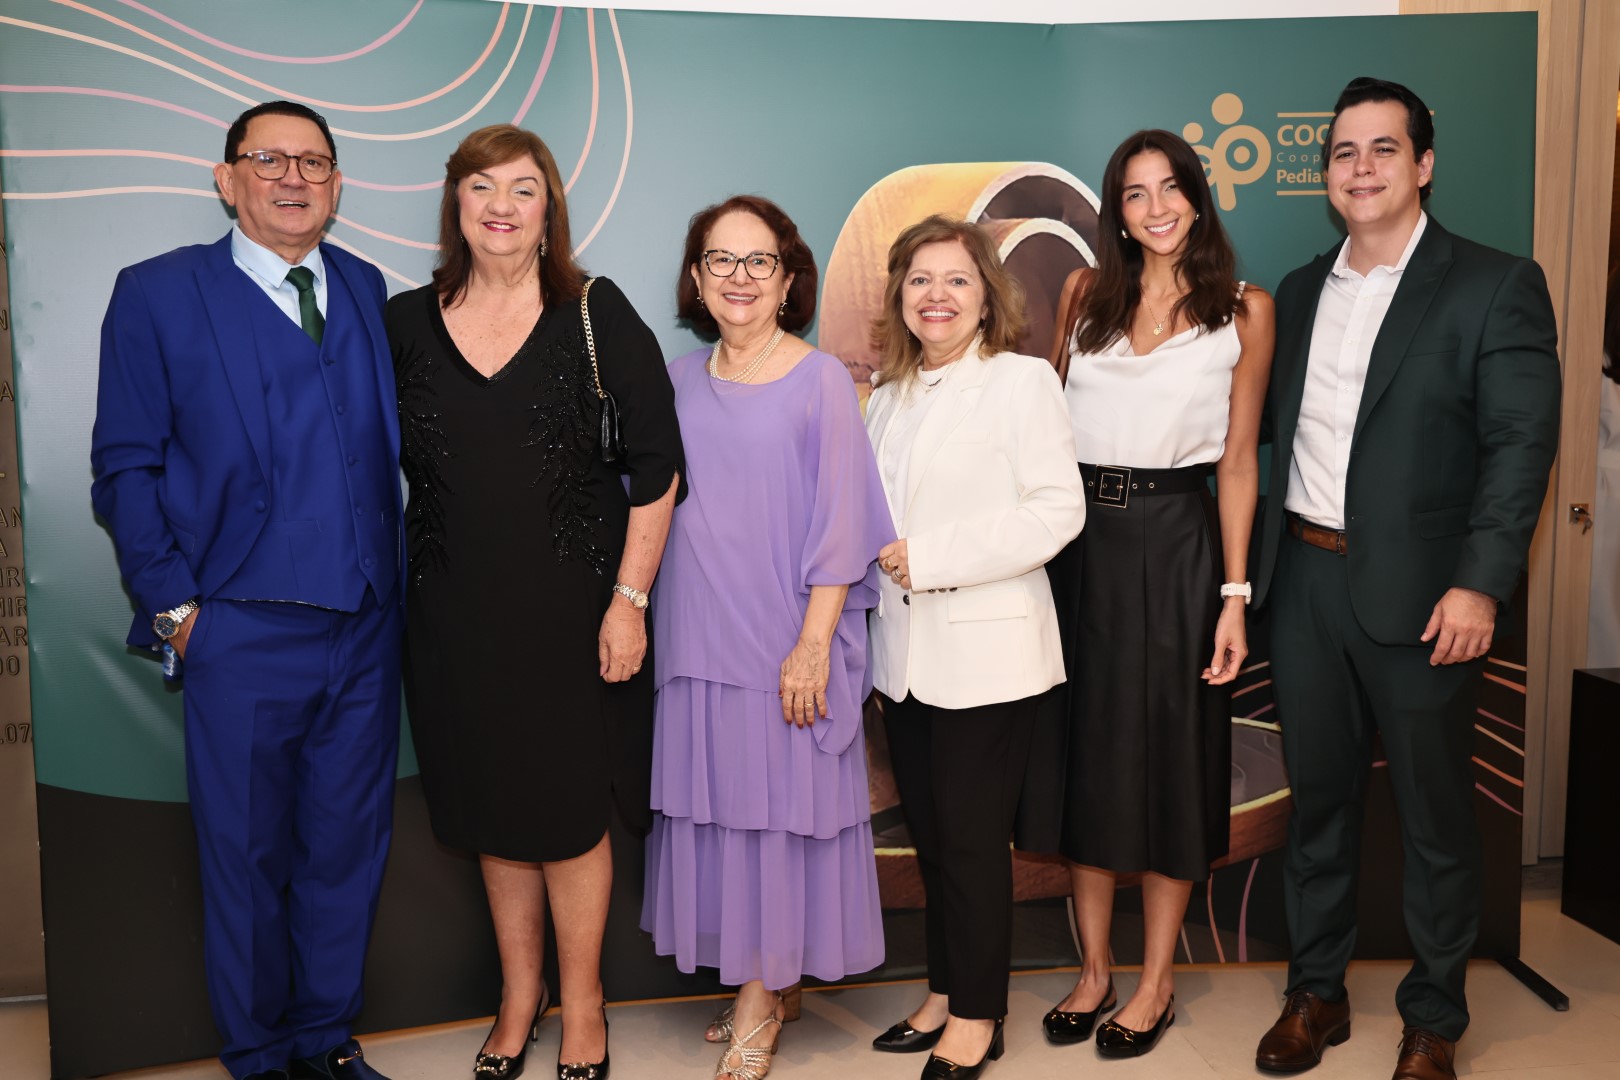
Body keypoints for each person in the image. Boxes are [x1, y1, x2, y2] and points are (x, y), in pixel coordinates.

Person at [1251, 78, 1559, 1080]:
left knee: (1434, 820)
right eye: (1344, 152)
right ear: (1325, 173)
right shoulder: (1299, 291)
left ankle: (1434, 1018)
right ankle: (1316, 994)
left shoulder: (1494, 283)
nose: (1362, 168)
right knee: (1319, 810)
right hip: (1306, 585)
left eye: (1384, 149)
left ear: (1423, 164)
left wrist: (1481, 584)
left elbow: (1520, 448)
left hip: (1430, 602)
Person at [90, 101, 405, 1080]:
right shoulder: (156, 293)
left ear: (338, 185)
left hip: (365, 627)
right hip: (238, 631)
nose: (292, 178)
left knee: (346, 853)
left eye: (314, 162)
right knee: (245, 858)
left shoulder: (364, 285)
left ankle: (325, 1039)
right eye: (268, 159)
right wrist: (178, 614)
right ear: (226, 179)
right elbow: (125, 468)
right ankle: (261, 1056)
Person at [387, 124, 683, 1080]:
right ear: (456, 203)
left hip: (573, 621)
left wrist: (629, 601)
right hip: (452, 619)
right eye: (483, 187)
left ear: (549, 206)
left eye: (523, 188)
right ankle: (522, 997)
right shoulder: (402, 323)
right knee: (491, 813)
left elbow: (659, 468)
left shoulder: (595, 311)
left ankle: (584, 1004)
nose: (502, 206)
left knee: (565, 816)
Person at [640, 195, 892, 1080]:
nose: (739, 277)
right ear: (697, 277)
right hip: (695, 640)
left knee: (778, 821)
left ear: (789, 282)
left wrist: (814, 644)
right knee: (726, 819)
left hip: (782, 637)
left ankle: (761, 998)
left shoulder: (820, 379)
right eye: (721, 259)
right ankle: (767, 977)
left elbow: (844, 519)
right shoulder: (674, 381)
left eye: (760, 262)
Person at [1040, 129, 1274, 1058]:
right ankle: (1095, 971)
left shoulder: (1244, 309)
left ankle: (1156, 981)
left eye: (1171, 187)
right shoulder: (1083, 294)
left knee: (1175, 759)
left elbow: (1239, 461)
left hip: (1180, 544)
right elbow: (1045, 428)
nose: (1156, 208)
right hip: (1078, 545)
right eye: (1135, 194)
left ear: (1198, 196)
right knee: (1086, 757)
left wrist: (1234, 595)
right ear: (1118, 211)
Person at [865, 215, 1085, 1080]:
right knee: (932, 839)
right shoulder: (888, 395)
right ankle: (944, 991)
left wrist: (933, 559)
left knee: (971, 843)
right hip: (904, 657)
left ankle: (979, 1015)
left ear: (987, 296)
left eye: (956, 279)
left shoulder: (1022, 382)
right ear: (900, 296)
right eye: (920, 279)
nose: (937, 296)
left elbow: (1056, 511)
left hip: (989, 657)